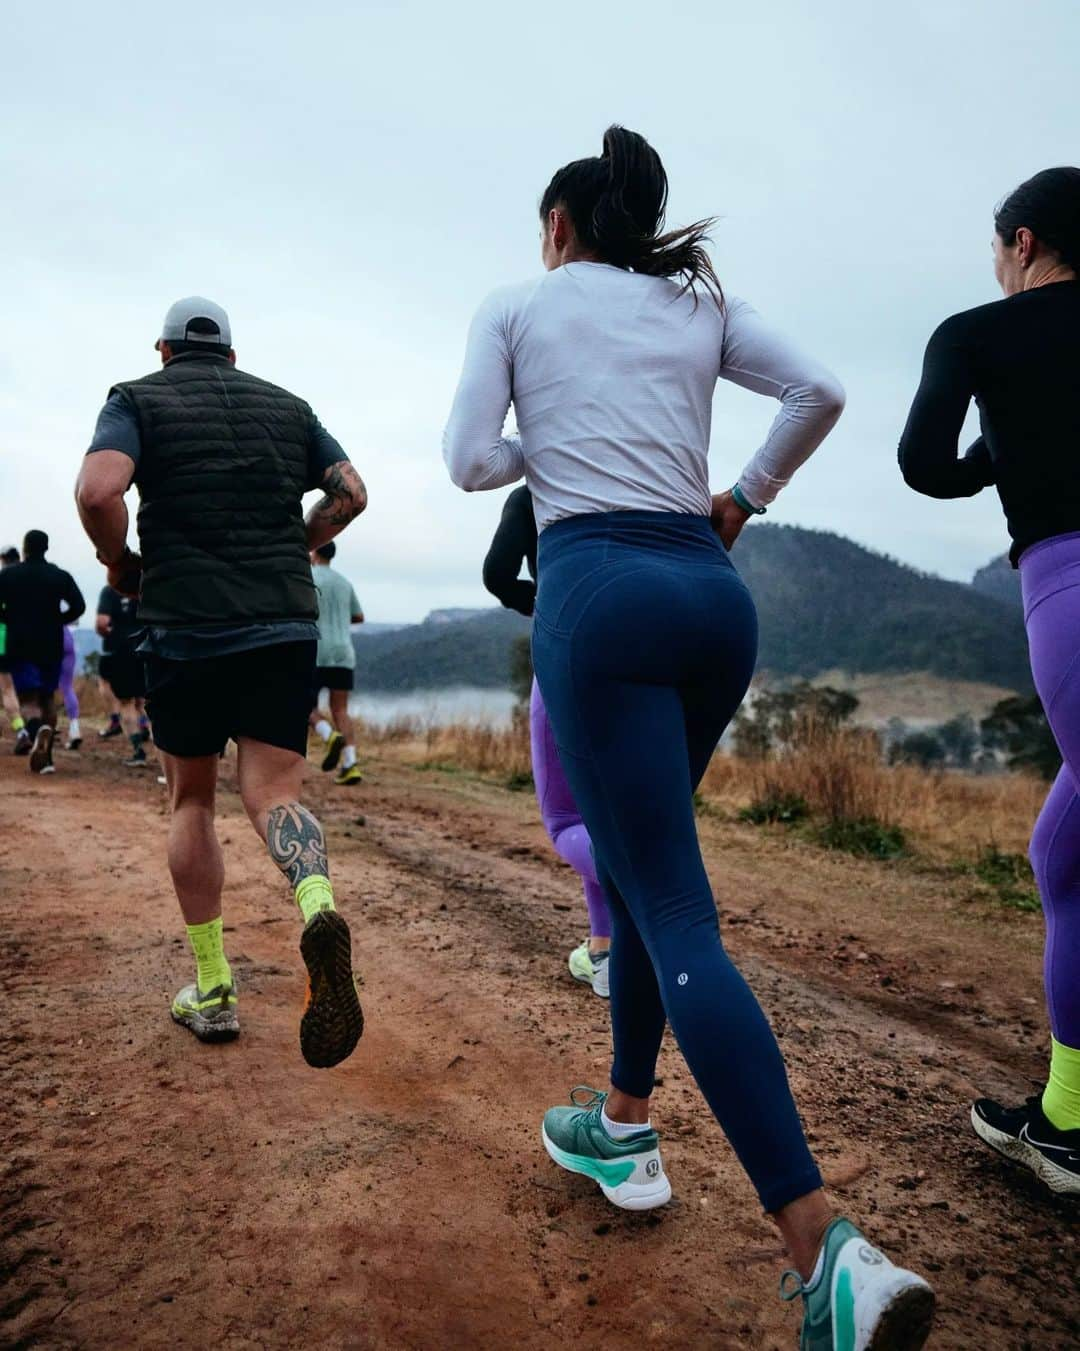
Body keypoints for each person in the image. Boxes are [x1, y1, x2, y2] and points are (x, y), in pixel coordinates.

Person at [445, 126, 934, 1347]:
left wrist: (541, 450)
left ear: (560, 227)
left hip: (596, 590)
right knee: (635, 865)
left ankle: (825, 1246)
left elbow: (465, 463)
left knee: (672, 910)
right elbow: (822, 389)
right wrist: (744, 497)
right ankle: (620, 1118)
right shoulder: (699, 304)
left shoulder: (521, 302)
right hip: (713, 595)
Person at [75, 296, 367, 1068]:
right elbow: (352, 493)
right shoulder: (288, 407)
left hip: (186, 628)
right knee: (277, 795)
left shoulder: (138, 397)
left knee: (193, 798)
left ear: (165, 350)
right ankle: (318, 906)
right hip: (282, 624)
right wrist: (297, 542)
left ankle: (212, 987)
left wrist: (119, 564)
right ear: (233, 358)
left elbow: (99, 492)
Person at [900, 166, 1080, 1196]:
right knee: (1061, 853)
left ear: (1020, 243)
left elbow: (926, 464)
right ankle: (1064, 1117)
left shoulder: (978, 333)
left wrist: (988, 455)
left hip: (1068, 582)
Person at [484, 485, 612, 996]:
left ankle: (645, 916)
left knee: (568, 821)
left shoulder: (533, 493)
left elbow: (497, 575)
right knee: (604, 812)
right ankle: (602, 948)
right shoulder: (634, 476)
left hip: (568, 648)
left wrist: (538, 604)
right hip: (651, 645)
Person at [0, 530, 85, 773]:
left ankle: (38, 731)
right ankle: (46, 759)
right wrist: (60, 619)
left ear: (25, 548)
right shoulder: (59, 576)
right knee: (48, 697)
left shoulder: (9, 575)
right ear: (46, 548)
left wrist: (8, 618)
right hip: (51, 643)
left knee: (28, 698)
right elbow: (79, 605)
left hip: (20, 643)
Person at [308, 541, 364, 786]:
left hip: (315, 650)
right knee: (340, 710)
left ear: (315, 551)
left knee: (303, 705)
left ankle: (328, 735)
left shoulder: (307, 577)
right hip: (343, 652)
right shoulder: (344, 582)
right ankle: (350, 764)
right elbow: (359, 616)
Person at [96, 584, 150, 767]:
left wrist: (112, 635)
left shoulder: (111, 590)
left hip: (122, 650)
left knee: (126, 703)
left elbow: (102, 623)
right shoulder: (148, 587)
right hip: (148, 648)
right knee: (147, 702)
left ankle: (138, 750)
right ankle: (165, 757)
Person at [0, 545, 30, 752]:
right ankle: (34, 727)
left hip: (2, 638)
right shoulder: (27, 577)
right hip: (26, 640)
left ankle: (21, 731)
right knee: (23, 689)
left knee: (7, 689)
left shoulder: (4, 577)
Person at [60, 624, 82, 750]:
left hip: (46, 637)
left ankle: (43, 729)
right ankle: (75, 730)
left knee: (43, 688)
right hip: (67, 637)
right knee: (67, 688)